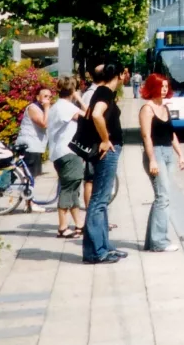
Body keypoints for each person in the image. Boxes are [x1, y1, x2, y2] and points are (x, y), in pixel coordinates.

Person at [82, 61, 126, 265]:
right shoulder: (105, 93)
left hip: (105, 152)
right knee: (98, 202)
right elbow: (97, 115)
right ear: (119, 75)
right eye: (125, 73)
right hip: (106, 152)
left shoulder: (100, 91)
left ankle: (104, 247)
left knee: (101, 201)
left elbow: (89, 116)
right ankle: (95, 252)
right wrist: (105, 139)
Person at [138, 74, 184, 252]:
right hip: (155, 153)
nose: (165, 89)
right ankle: (160, 242)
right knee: (163, 197)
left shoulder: (165, 108)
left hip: (167, 152)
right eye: (161, 86)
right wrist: (152, 160)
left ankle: (153, 241)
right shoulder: (147, 109)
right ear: (152, 87)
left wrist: (180, 155)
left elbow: (171, 134)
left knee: (163, 196)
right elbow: (146, 136)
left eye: (166, 86)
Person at [47, 76, 86, 238]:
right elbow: (90, 115)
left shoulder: (57, 106)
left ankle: (79, 224)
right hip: (68, 152)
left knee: (73, 188)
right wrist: (79, 99)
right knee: (69, 187)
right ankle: (62, 226)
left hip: (60, 152)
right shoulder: (66, 107)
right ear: (72, 90)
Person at [15, 86, 52, 213]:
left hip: (35, 146)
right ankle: (30, 203)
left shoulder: (42, 109)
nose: (48, 99)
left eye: (50, 96)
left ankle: (28, 201)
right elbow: (44, 123)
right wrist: (47, 108)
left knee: (31, 175)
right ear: (38, 97)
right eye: (45, 96)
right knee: (29, 175)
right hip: (29, 145)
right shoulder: (33, 108)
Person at [81, 64, 105, 212]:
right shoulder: (93, 94)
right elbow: (92, 117)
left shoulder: (94, 92)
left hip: (95, 142)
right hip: (94, 142)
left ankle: (96, 214)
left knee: (95, 179)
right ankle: (92, 213)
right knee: (91, 179)